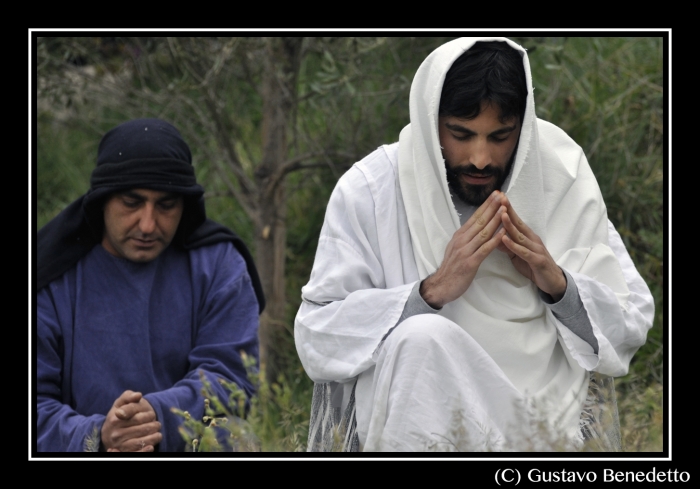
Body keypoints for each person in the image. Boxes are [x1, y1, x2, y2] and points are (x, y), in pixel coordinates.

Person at [294, 38, 654, 452]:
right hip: (410, 425)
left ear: (524, 125)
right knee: (423, 339)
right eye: (461, 134)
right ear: (431, 122)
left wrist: (556, 284)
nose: (481, 158)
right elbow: (317, 336)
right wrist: (429, 292)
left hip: (542, 429)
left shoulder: (561, 177)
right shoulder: (374, 190)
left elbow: (630, 323)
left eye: (501, 135)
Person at [36, 118, 265, 452]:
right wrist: (97, 435)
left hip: (184, 443)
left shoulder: (218, 264)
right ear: (102, 201)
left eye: (166, 205)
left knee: (237, 438)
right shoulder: (49, 274)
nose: (147, 224)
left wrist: (157, 416)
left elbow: (231, 377)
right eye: (131, 203)